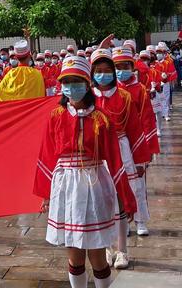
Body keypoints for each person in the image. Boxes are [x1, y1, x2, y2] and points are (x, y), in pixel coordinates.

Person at [34, 57, 136, 288]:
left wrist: (126, 199)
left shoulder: (101, 118)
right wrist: (45, 194)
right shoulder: (55, 116)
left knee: (97, 256)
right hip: (66, 186)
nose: (71, 86)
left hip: (95, 184)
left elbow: (116, 162)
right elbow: (46, 155)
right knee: (74, 254)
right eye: (66, 81)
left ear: (87, 83)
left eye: (76, 81)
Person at [90, 48, 151, 270]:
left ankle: (123, 250)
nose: (103, 75)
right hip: (96, 154)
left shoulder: (124, 96)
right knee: (100, 202)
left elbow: (135, 130)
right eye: (98, 71)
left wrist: (140, 161)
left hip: (122, 151)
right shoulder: (87, 97)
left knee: (120, 200)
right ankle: (107, 248)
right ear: (92, 73)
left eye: (108, 70)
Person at [113, 47, 158, 237]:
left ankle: (140, 220)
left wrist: (145, 155)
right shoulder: (109, 90)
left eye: (125, 66)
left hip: (136, 144)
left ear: (132, 68)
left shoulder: (140, 90)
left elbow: (148, 120)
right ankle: (123, 222)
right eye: (117, 66)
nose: (121, 70)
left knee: (138, 185)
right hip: (115, 146)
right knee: (116, 185)